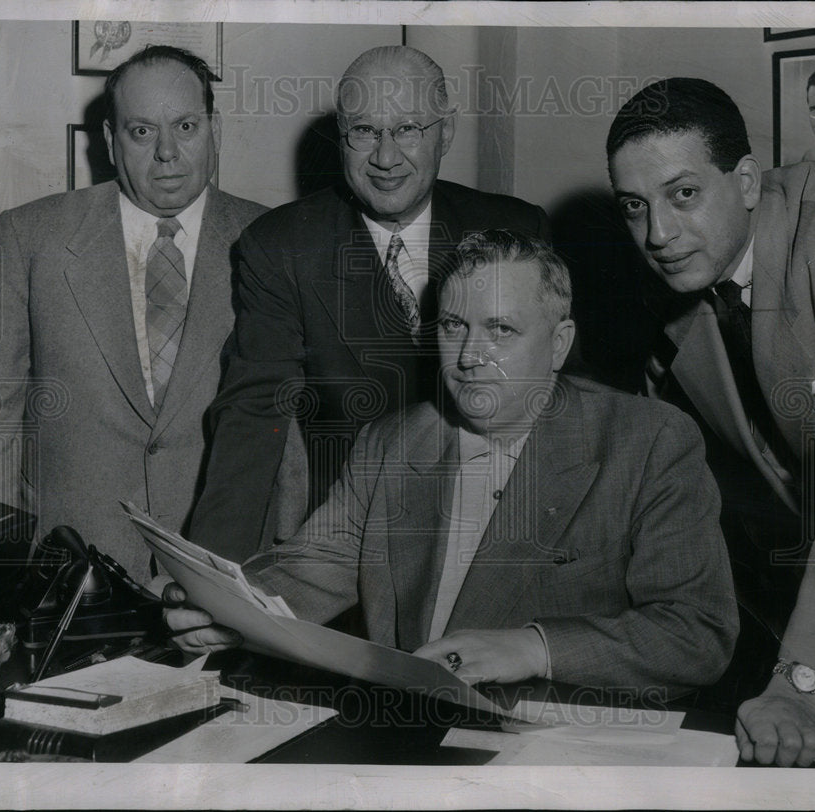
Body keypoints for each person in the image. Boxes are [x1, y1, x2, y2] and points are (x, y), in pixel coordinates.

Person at [165, 230, 738, 695]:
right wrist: (226, 610)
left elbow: (697, 634)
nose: (468, 357)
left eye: (501, 330)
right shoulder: (392, 442)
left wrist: (533, 646)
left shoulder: (648, 442)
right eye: (454, 326)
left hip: (564, 751)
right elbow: (311, 570)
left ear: (560, 344)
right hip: (413, 733)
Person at [606, 77, 815, 765]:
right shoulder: (670, 294)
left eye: (683, 194)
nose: (657, 234)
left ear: (743, 180)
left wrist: (807, 677)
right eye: (633, 206)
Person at [187, 45, 550, 563]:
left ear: (445, 132)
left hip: (499, 538)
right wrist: (212, 573)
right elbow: (253, 411)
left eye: (407, 129)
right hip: (354, 543)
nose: (384, 157)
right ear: (341, 138)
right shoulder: (283, 245)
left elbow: (561, 400)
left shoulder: (515, 230)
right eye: (364, 131)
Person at [0, 46, 267, 582]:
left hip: (228, 572)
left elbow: (296, 426)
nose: (167, 152)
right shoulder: (29, 237)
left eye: (186, 126)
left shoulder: (272, 241)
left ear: (215, 129)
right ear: (110, 142)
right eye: (142, 131)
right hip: (65, 571)